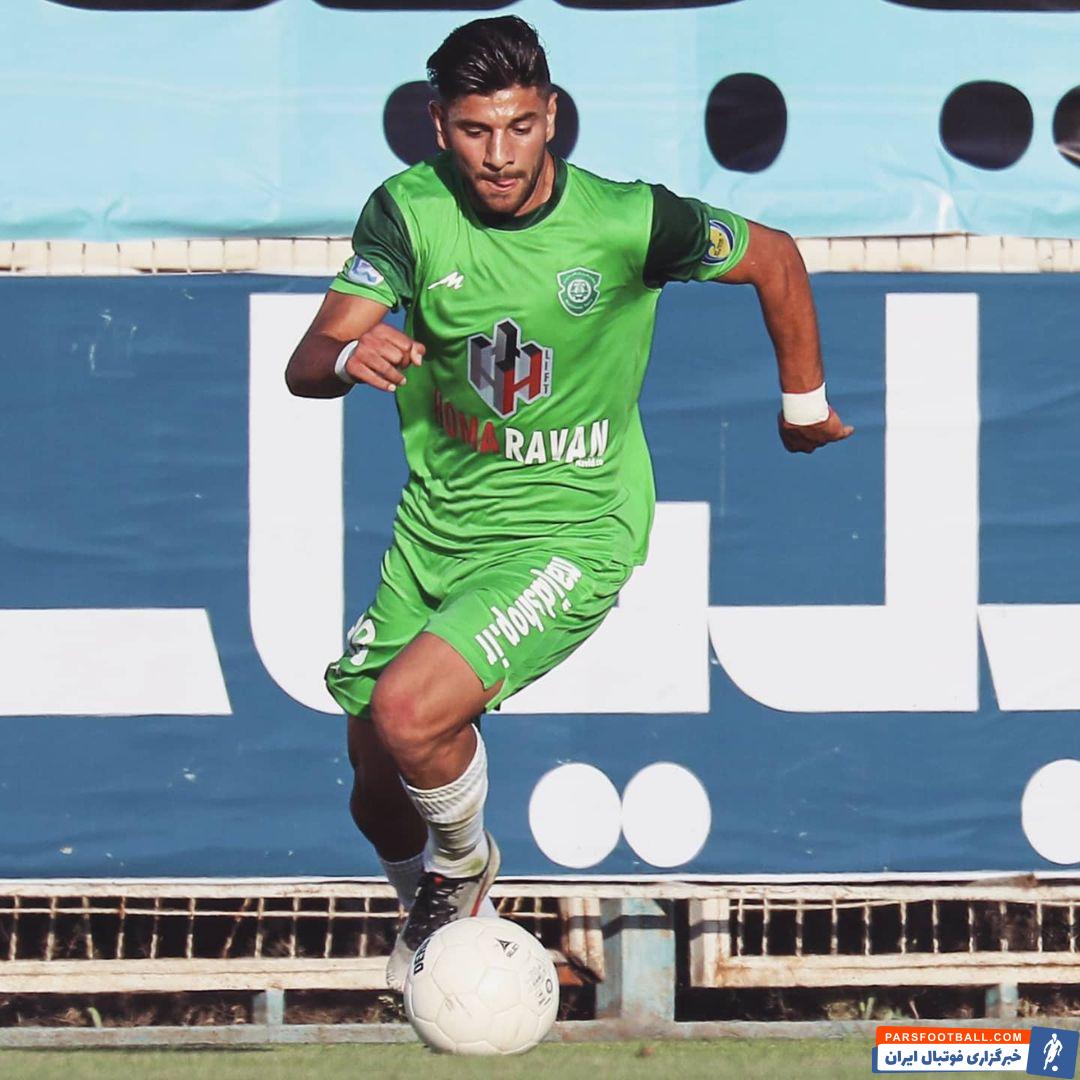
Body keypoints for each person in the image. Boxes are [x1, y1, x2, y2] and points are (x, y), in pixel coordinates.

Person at [285, 15, 853, 991]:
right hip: (437, 530)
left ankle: (463, 873)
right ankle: (437, 931)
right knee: (375, 778)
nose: (498, 155)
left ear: (551, 116)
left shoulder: (629, 222)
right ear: (439, 126)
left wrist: (805, 404)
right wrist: (346, 355)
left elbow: (775, 257)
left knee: (411, 713)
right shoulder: (410, 214)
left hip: (572, 529)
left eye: (518, 127)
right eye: (475, 131)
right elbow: (308, 361)